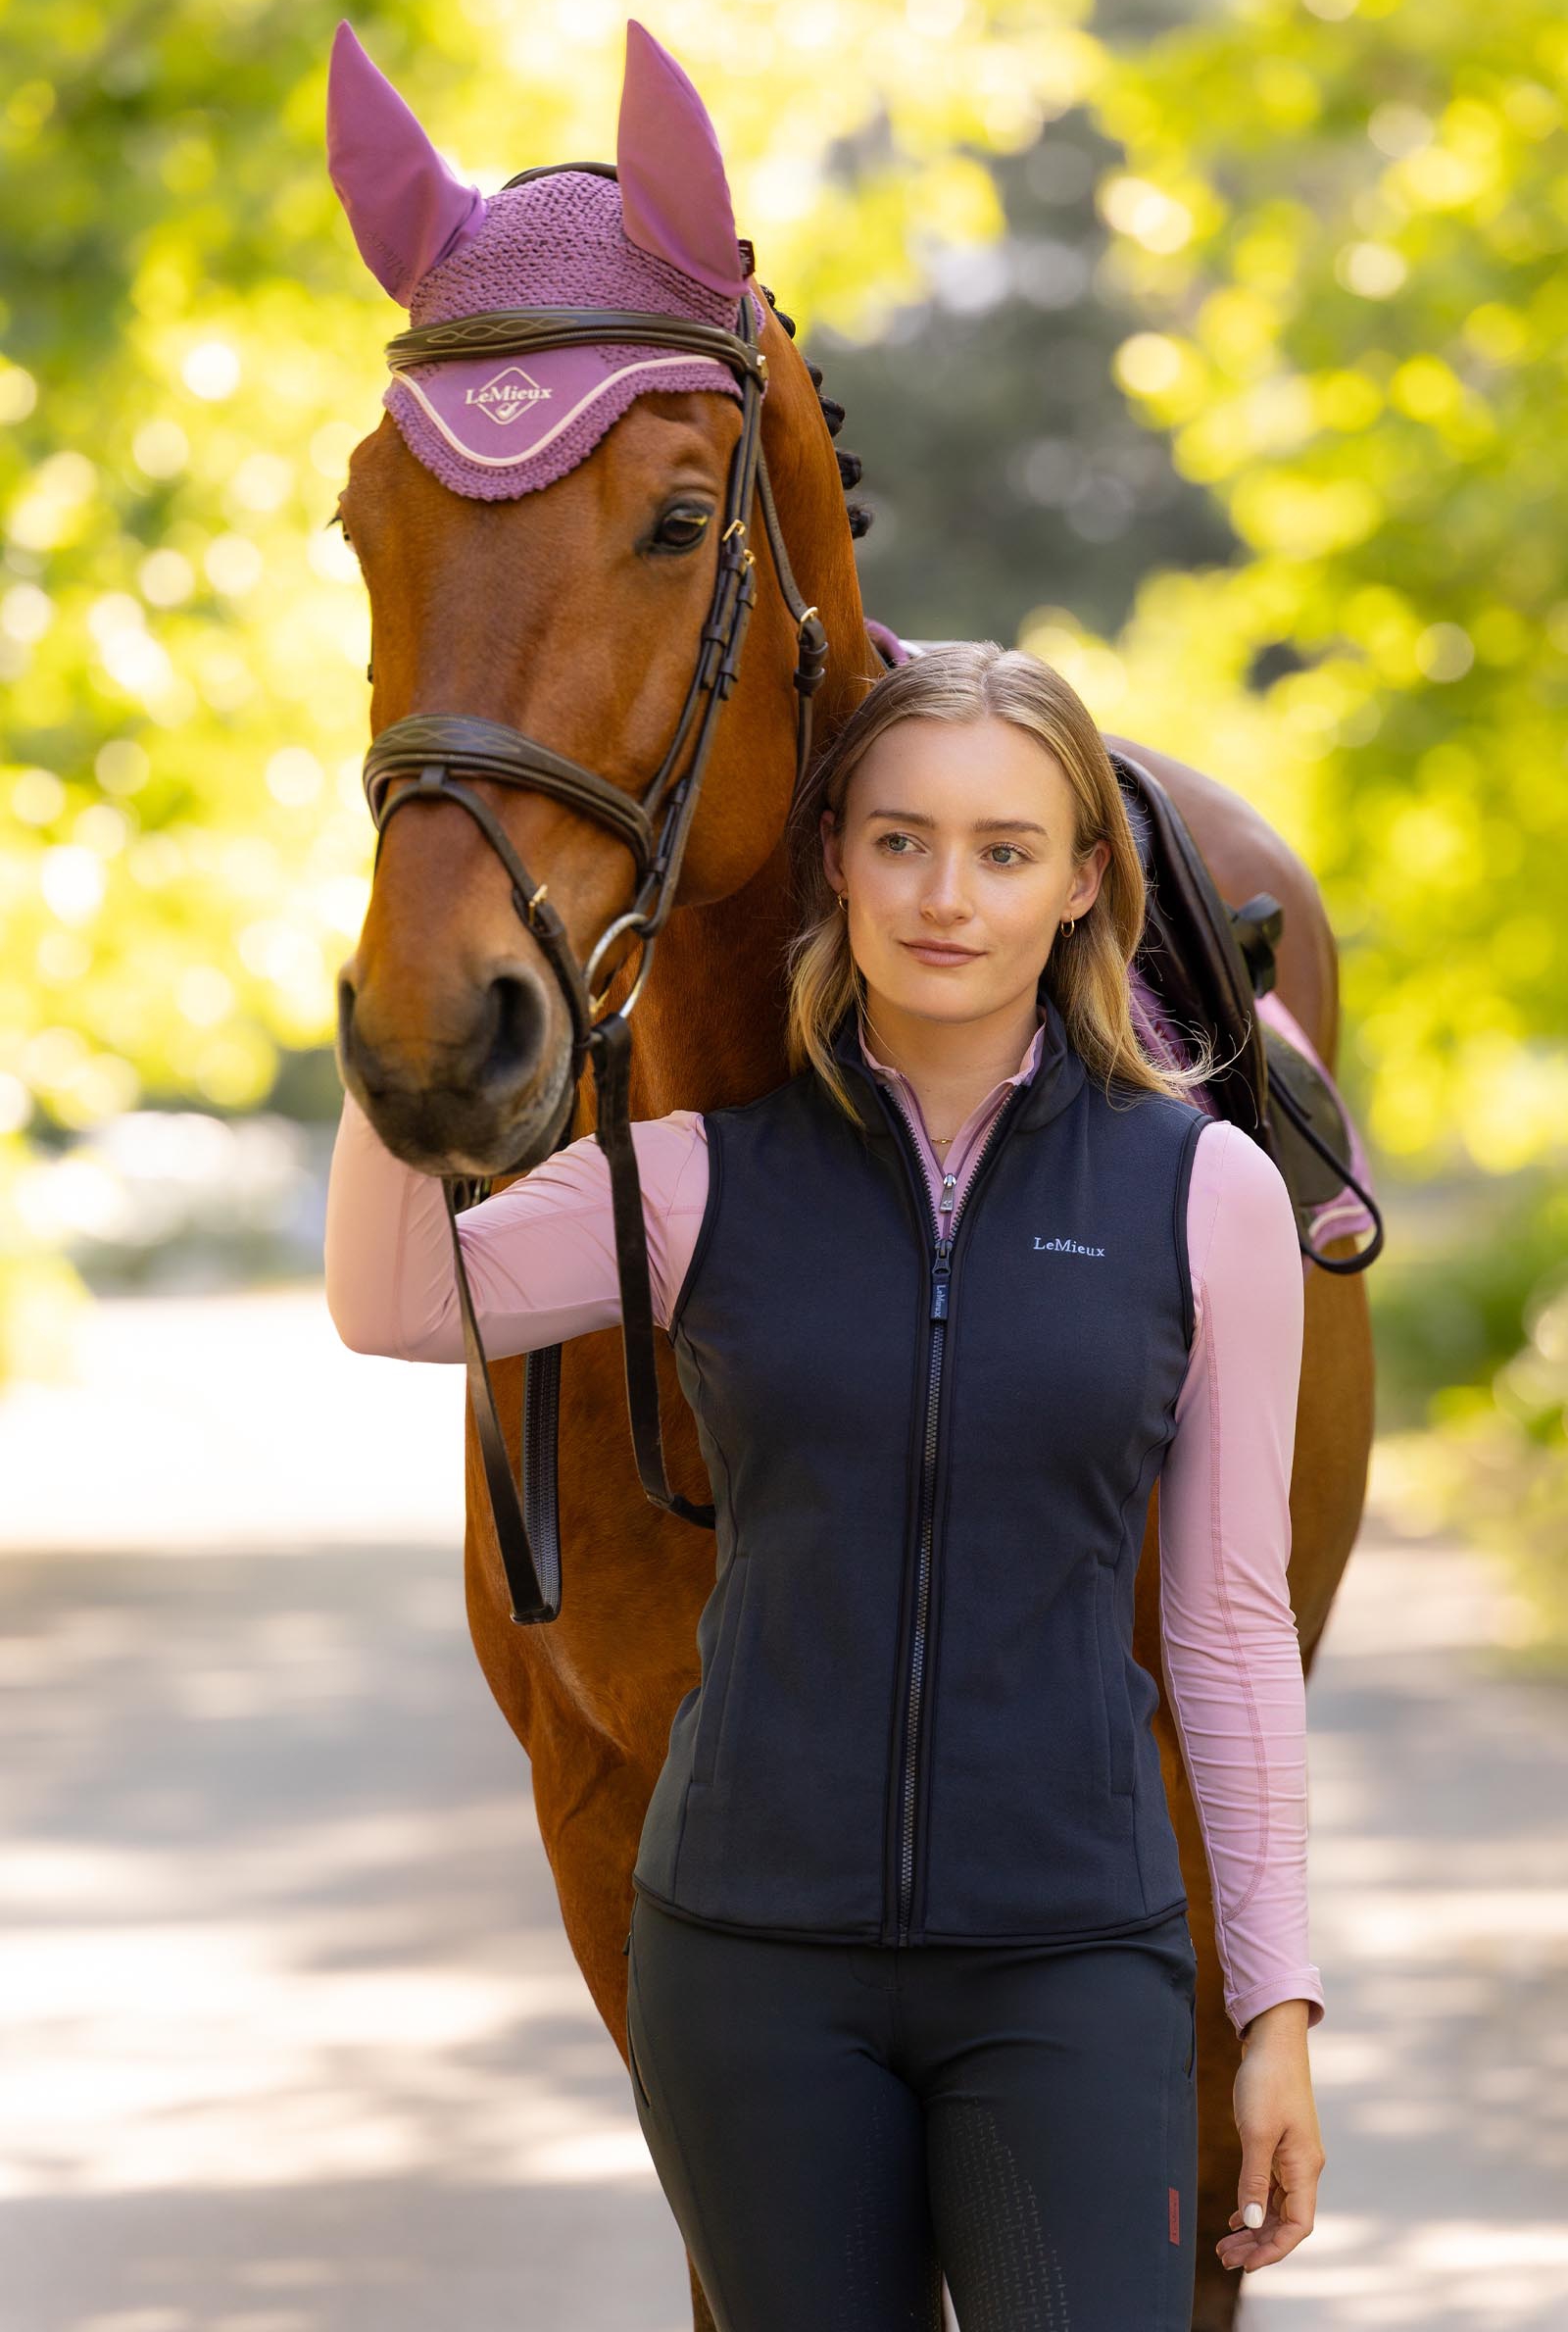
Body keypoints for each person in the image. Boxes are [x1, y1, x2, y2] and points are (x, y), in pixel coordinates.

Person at [325, 641, 1327, 2330]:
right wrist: (400, 992)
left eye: (1006, 850)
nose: (947, 895)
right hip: (748, 1968)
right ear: (836, 862)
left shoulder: (1202, 1188)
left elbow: (1233, 1627)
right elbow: (399, 1298)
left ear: (1085, 885)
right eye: (898, 840)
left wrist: (1279, 2009)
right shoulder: (700, 1181)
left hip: (1071, 1961)